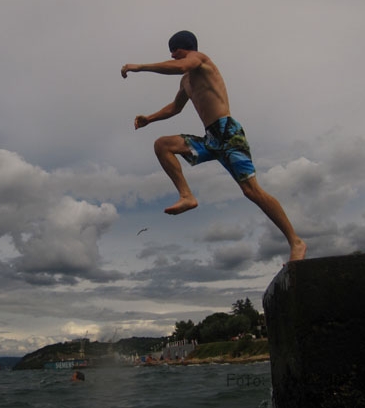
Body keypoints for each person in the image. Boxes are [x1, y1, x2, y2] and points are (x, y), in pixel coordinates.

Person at [121, 31, 306, 261]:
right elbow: (175, 107)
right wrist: (149, 119)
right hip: (210, 140)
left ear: (184, 48)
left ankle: (296, 241)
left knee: (252, 191)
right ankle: (187, 196)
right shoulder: (186, 80)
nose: (172, 55)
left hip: (228, 134)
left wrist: (139, 67)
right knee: (163, 145)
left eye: (174, 50)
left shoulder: (200, 59)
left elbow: (180, 66)